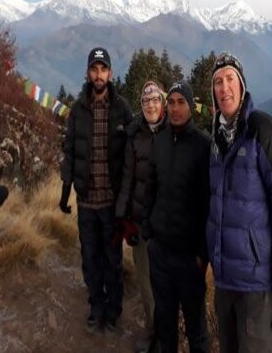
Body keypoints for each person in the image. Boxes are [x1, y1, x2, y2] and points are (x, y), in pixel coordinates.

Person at [206, 52, 272, 353]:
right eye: (218, 82)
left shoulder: (263, 131)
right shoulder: (216, 138)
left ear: (242, 85)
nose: (224, 88)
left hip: (257, 285)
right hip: (224, 282)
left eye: (230, 79)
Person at [59, 47, 133, 334]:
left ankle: (114, 311)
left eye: (103, 69)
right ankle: (96, 306)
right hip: (87, 202)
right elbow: (70, 153)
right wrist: (65, 196)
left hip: (113, 204)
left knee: (113, 260)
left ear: (110, 74)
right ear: (88, 73)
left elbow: (134, 152)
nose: (98, 75)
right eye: (94, 69)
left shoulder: (122, 109)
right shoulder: (77, 111)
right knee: (90, 259)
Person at [143, 81, 211, 353]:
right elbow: (150, 189)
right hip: (160, 251)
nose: (174, 108)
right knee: (165, 324)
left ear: (192, 106)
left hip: (189, 258)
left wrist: (202, 255)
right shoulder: (158, 141)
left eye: (181, 102)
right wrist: (149, 232)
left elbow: (208, 204)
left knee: (196, 330)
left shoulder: (203, 145)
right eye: (170, 102)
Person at [115, 80, 168, 353]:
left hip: (169, 228)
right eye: (146, 101)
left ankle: (168, 335)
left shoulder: (175, 133)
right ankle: (152, 332)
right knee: (146, 285)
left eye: (155, 99)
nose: (150, 105)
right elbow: (126, 180)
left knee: (167, 286)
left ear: (164, 103)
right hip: (141, 224)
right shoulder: (134, 136)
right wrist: (124, 220)